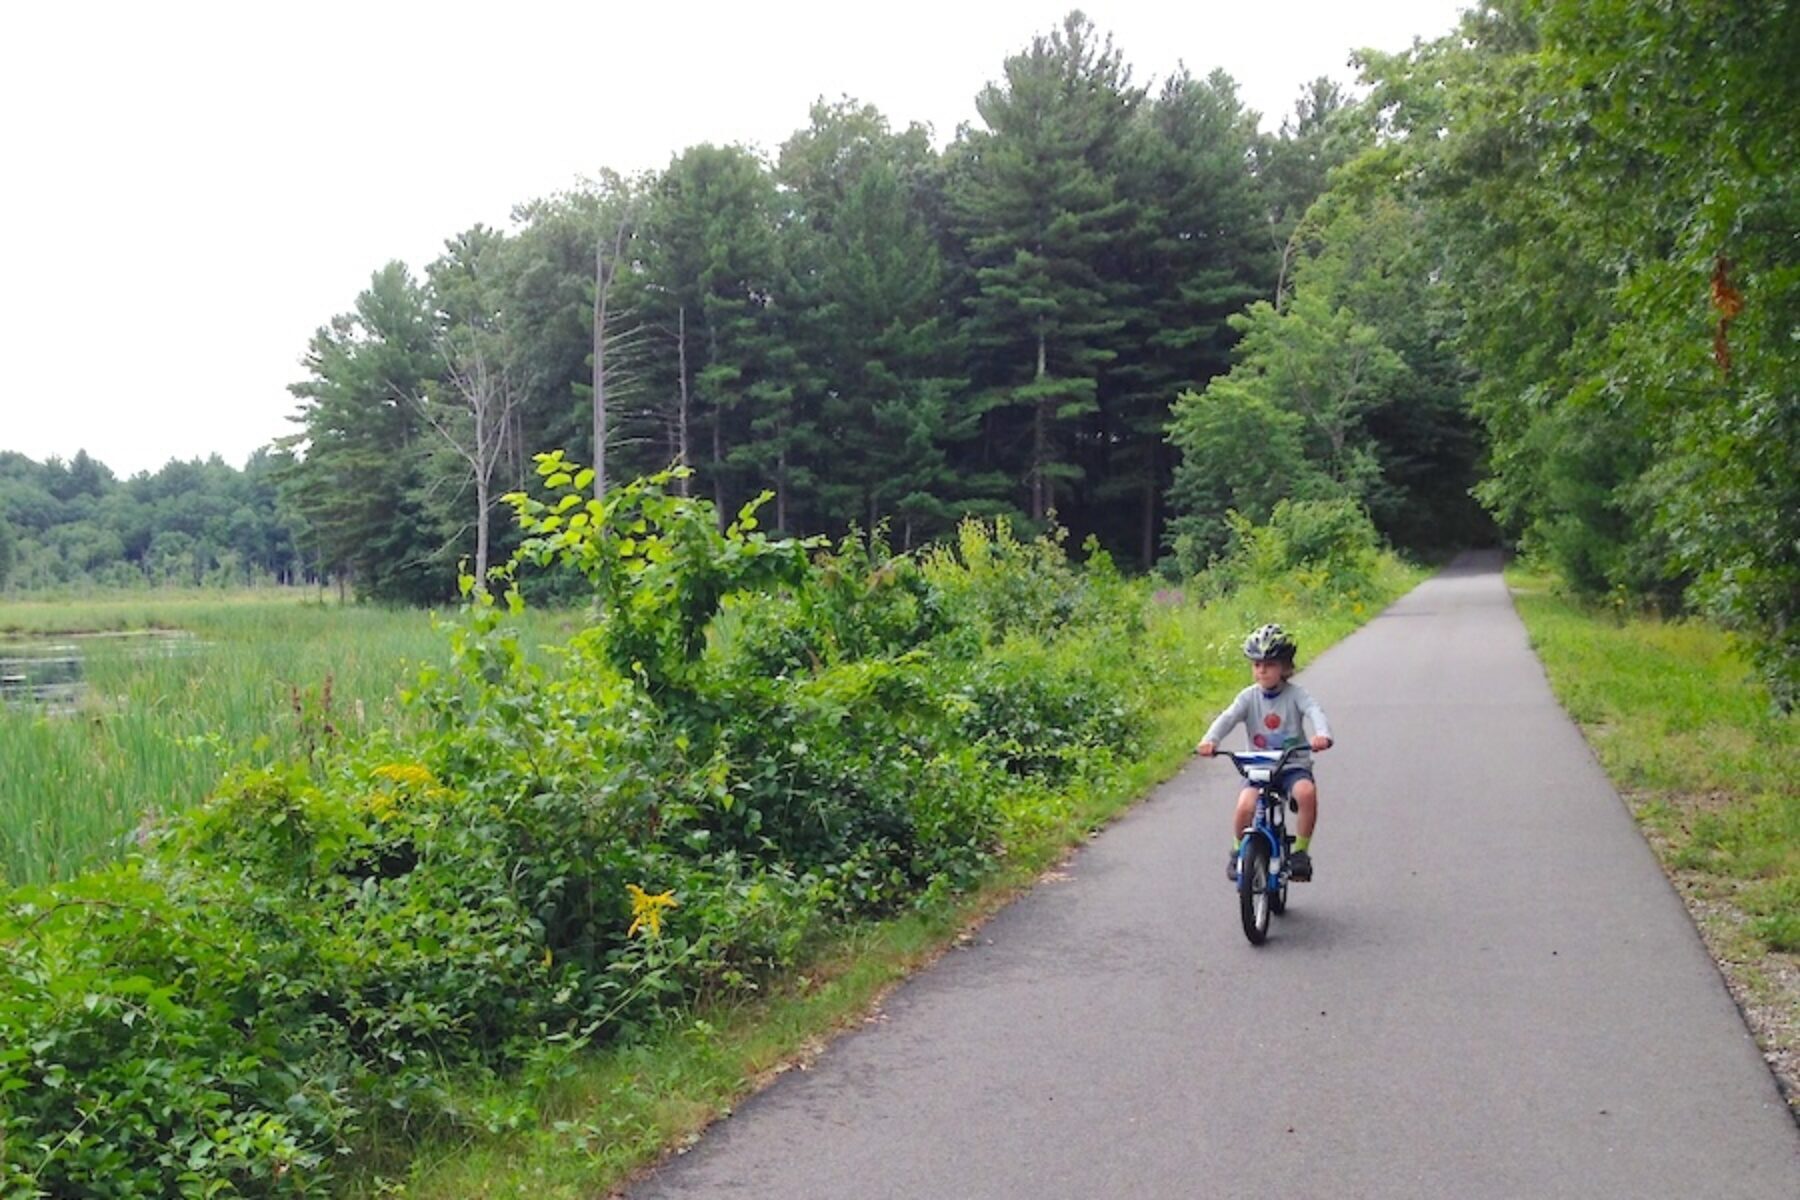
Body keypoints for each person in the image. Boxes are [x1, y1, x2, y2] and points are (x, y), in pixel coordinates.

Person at [1196, 623, 1332, 882]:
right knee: (1244, 806)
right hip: (1259, 767)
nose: (1262, 670)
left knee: (1306, 794)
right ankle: (1237, 853)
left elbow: (1314, 711)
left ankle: (1300, 853)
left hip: (1292, 765)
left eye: (1269, 664)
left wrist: (1321, 735)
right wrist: (1210, 740)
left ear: (1285, 667)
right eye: (1257, 665)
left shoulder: (1296, 695)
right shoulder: (1248, 697)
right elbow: (1228, 718)